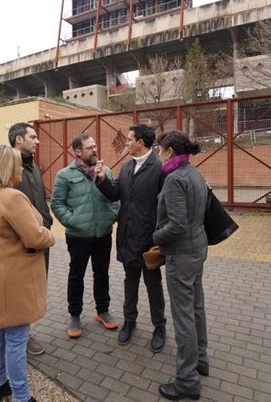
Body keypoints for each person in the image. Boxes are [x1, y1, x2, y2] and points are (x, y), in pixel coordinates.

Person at [0, 144, 55, 402]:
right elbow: (35, 236)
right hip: (13, 280)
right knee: (17, 341)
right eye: (18, 163)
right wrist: (50, 236)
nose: (22, 167)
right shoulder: (12, 197)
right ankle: (22, 396)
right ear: (9, 168)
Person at [95, 124, 167, 352]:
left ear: (141, 142)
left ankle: (159, 327)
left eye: (129, 140)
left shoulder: (160, 168)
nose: (125, 143)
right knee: (130, 282)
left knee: (153, 284)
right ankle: (130, 322)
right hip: (127, 236)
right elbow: (115, 193)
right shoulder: (127, 168)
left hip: (149, 239)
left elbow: (165, 206)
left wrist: (160, 237)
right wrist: (102, 179)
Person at [152, 131, 209, 401]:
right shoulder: (194, 173)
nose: (158, 153)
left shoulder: (175, 179)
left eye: (160, 149)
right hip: (197, 249)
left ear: (170, 151)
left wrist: (155, 238)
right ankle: (201, 360)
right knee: (196, 307)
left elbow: (176, 225)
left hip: (181, 255)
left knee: (183, 316)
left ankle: (186, 380)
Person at [50, 133, 120, 338]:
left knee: (102, 273)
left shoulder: (105, 171)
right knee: (76, 275)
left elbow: (115, 197)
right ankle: (74, 315)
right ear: (78, 151)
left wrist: (112, 216)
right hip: (78, 236)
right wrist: (74, 221)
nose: (95, 149)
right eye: (90, 147)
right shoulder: (65, 174)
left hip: (103, 234)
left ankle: (102, 310)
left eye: (95, 146)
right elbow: (57, 203)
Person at [9, 122, 53, 356]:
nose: (38, 141)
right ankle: (20, 337)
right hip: (20, 243)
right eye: (33, 137)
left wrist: (47, 220)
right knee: (21, 290)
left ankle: (24, 332)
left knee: (36, 287)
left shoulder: (33, 167)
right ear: (18, 139)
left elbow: (40, 198)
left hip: (40, 237)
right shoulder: (9, 168)